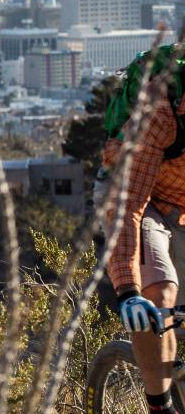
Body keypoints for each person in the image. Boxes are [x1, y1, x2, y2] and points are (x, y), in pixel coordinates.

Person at [105, 76, 185, 414]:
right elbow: (130, 203)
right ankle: (159, 406)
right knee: (158, 294)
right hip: (136, 198)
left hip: (182, 204)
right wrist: (128, 291)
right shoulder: (161, 111)